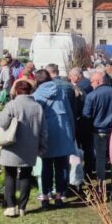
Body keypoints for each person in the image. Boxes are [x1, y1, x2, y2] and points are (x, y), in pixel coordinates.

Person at [0, 79, 47, 218]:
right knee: (26, 175)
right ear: (30, 91)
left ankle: (11, 207)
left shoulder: (12, 105)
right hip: (30, 146)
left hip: (12, 146)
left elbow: (2, 122)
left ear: (16, 91)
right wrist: (42, 147)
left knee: (10, 175)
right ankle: (22, 208)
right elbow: (44, 130)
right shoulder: (37, 107)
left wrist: (0, 113)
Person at [33, 68, 76, 209]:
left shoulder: (36, 95)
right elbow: (69, 112)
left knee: (46, 166)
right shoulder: (61, 91)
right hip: (63, 131)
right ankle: (59, 196)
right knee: (62, 166)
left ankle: (45, 196)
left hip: (46, 133)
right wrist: (72, 132)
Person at [82, 70, 112, 192]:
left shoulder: (91, 96)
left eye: (92, 82)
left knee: (100, 158)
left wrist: (88, 130)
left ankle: (101, 185)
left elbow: (86, 115)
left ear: (98, 81)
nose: (91, 84)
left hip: (99, 130)